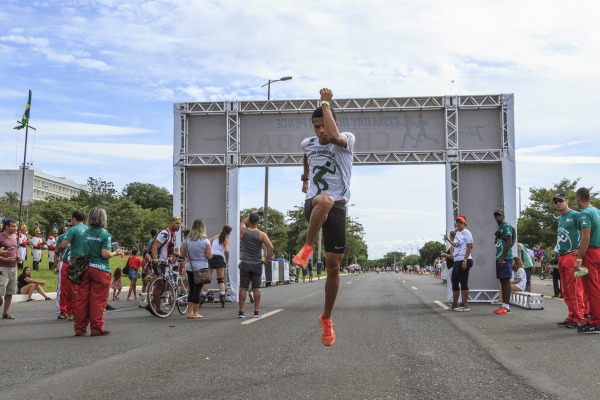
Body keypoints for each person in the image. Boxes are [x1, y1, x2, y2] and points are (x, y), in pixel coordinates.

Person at [292, 87, 355, 346]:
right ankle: (307, 246)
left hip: (338, 208)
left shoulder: (346, 139)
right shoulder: (308, 143)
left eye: (324, 126)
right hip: (315, 204)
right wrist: (306, 180)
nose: (320, 132)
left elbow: (334, 137)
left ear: (334, 124)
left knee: (333, 266)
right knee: (324, 199)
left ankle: (326, 318)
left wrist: (326, 103)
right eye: (316, 127)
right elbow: (306, 156)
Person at [74, 207, 121, 336]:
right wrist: (115, 253)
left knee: (82, 299)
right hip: (100, 269)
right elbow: (105, 254)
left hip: (85, 268)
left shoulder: (85, 232)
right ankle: (96, 328)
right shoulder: (105, 234)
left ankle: (80, 328)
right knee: (98, 301)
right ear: (103, 218)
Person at [553, 193, 587, 329]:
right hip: (561, 256)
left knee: (575, 289)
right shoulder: (560, 219)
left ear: (566, 201)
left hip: (572, 256)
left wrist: (580, 249)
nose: (558, 203)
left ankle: (580, 318)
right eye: (555, 201)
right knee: (565, 290)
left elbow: (587, 232)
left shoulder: (576, 215)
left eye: (560, 200)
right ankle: (572, 316)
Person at [574, 187, 600, 333]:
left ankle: (596, 321)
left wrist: (579, 258)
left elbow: (586, 237)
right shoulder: (597, 211)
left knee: (591, 288)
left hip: (590, 252)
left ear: (578, 198)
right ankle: (595, 319)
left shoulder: (585, 213)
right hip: (599, 251)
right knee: (598, 287)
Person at [239, 212, 273, 319]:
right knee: (256, 288)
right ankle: (256, 311)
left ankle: (241, 312)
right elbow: (271, 247)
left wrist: (250, 216)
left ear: (249, 221)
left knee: (243, 288)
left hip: (245, 263)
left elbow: (242, 222)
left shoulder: (243, 231)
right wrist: (266, 260)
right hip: (256, 264)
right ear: (258, 222)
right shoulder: (262, 234)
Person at [56, 210, 89, 317]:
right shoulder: (88, 229)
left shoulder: (73, 230)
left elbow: (62, 246)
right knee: (83, 287)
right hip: (87, 260)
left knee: (72, 288)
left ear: (73, 219)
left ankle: (75, 313)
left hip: (75, 260)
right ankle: (82, 311)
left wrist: (57, 252)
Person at [148, 217, 181, 313]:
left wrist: (177, 255)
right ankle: (156, 308)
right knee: (159, 284)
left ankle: (152, 304)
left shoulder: (173, 235)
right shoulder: (165, 233)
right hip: (160, 262)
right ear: (171, 223)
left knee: (163, 286)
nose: (178, 225)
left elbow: (169, 249)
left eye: (179, 224)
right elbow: (155, 247)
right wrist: (155, 260)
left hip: (166, 263)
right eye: (176, 223)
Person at [181, 219, 212, 319]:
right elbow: (209, 256)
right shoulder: (206, 241)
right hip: (201, 268)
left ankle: (189, 312)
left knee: (191, 290)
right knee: (197, 290)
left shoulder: (186, 240)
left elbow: (183, 254)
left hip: (190, 267)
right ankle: (195, 313)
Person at [492, 210, 514, 315]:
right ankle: (504, 305)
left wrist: (502, 257)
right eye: (496, 215)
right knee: (502, 281)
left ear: (503, 216)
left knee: (506, 281)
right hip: (499, 256)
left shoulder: (506, 226)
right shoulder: (499, 227)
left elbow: (509, 242)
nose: (497, 217)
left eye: (499, 215)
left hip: (505, 257)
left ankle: (507, 306)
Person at [449, 216, 473, 312]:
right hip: (456, 260)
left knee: (463, 282)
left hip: (464, 259)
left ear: (464, 223)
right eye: (457, 222)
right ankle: (454, 304)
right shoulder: (458, 233)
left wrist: (465, 260)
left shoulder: (466, 232)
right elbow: (456, 246)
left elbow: (470, 246)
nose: (458, 224)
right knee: (454, 281)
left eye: (460, 222)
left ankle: (465, 304)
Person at [0, 219, 23, 319]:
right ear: (7, 227)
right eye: (13, 226)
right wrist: (5, 259)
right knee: (1, 292)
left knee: (10, 292)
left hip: (13, 267)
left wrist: (18, 256)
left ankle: (5, 313)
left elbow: (16, 250)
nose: (15, 228)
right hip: (2, 268)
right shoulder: (0, 237)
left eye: (16, 226)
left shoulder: (14, 237)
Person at [206, 225, 231, 305]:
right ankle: (222, 296)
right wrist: (227, 260)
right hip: (220, 258)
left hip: (212, 257)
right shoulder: (226, 240)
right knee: (220, 279)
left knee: (208, 278)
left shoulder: (216, 236)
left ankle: (203, 294)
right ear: (229, 232)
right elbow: (226, 251)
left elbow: (207, 242)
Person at [54, 224, 72, 320]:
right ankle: (61, 310)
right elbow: (56, 252)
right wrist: (55, 265)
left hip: (75, 264)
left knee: (72, 288)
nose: (69, 227)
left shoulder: (80, 236)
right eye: (68, 226)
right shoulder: (62, 237)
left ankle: (70, 311)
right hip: (64, 263)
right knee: (63, 288)